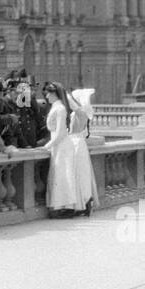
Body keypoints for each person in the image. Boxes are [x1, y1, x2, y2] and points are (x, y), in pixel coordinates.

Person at [43, 81, 95, 216]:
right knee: (69, 175)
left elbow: (61, 133)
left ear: (55, 94)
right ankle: (73, 205)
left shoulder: (61, 109)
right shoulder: (62, 108)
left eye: (49, 93)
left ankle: (68, 207)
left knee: (64, 176)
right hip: (65, 145)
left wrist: (47, 146)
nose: (46, 95)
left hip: (63, 145)